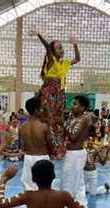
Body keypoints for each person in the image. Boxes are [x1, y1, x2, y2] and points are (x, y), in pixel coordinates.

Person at [30, 29, 81, 158]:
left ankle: (58, 149)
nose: (62, 49)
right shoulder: (51, 60)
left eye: (62, 47)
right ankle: (46, 147)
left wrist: (75, 45)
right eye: (59, 48)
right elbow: (47, 46)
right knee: (49, 120)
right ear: (53, 52)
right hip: (50, 92)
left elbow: (78, 59)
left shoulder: (64, 63)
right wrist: (38, 35)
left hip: (60, 93)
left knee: (59, 120)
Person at [60, 95, 91, 208]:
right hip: (75, 153)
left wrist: (61, 123)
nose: (72, 106)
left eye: (76, 104)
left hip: (75, 154)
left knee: (69, 184)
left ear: (82, 108)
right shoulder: (76, 118)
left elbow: (73, 136)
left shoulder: (82, 119)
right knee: (78, 185)